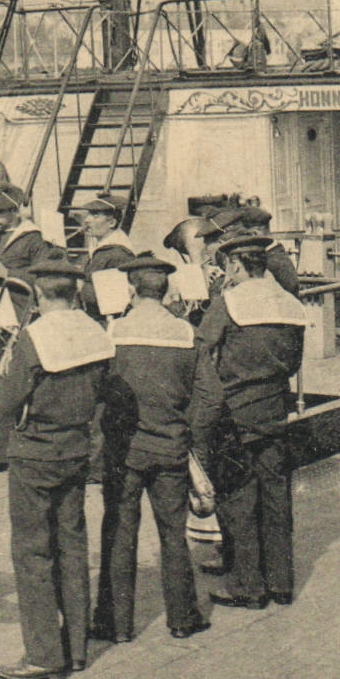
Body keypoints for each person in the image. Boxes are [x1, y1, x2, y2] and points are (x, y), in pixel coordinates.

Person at [0, 258, 115, 679]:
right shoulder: (95, 330)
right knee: (72, 546)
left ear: (42, 296)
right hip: (77, 449)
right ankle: (76, 648)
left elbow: (4, 406)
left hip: (35, 453)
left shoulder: (34, 337)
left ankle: (44, 655)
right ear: (75, 293)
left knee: (32, 553)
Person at [91, 254, 208, 643]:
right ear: (167, 291)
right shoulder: (187, 334)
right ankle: (182, 619)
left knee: (120, 532)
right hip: (171, 447)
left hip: (124, 451)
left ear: (130, 289)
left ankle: (115, 624)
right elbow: (209, 395)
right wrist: (185, 428)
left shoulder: (113, 335)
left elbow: (99, 395)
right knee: (174, 534)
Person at [192, 234, 306, 610]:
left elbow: (201, 348)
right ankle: (280, 583)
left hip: (235, 413)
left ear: (237, 266)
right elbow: (294, 363)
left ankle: (247, 585)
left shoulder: (230, 302)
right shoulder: (291, 305)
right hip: (275, 408)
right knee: (276, 497)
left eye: (229, 267)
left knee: (238, 498)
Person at [0, 182, 55, 476]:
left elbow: (43, 278)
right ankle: (1, 454)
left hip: (21, 318)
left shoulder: (34, 239)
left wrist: (6, 272)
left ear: (15, 211)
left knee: (24, 382)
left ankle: (27, 449)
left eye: (1, 214)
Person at [72, 196, 135, 321]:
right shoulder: (101, 249)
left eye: (95, 215)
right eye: (88, 214)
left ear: (112, 223)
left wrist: (80, 288)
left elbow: (116, 304)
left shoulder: (117, 254)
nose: (87, 220)